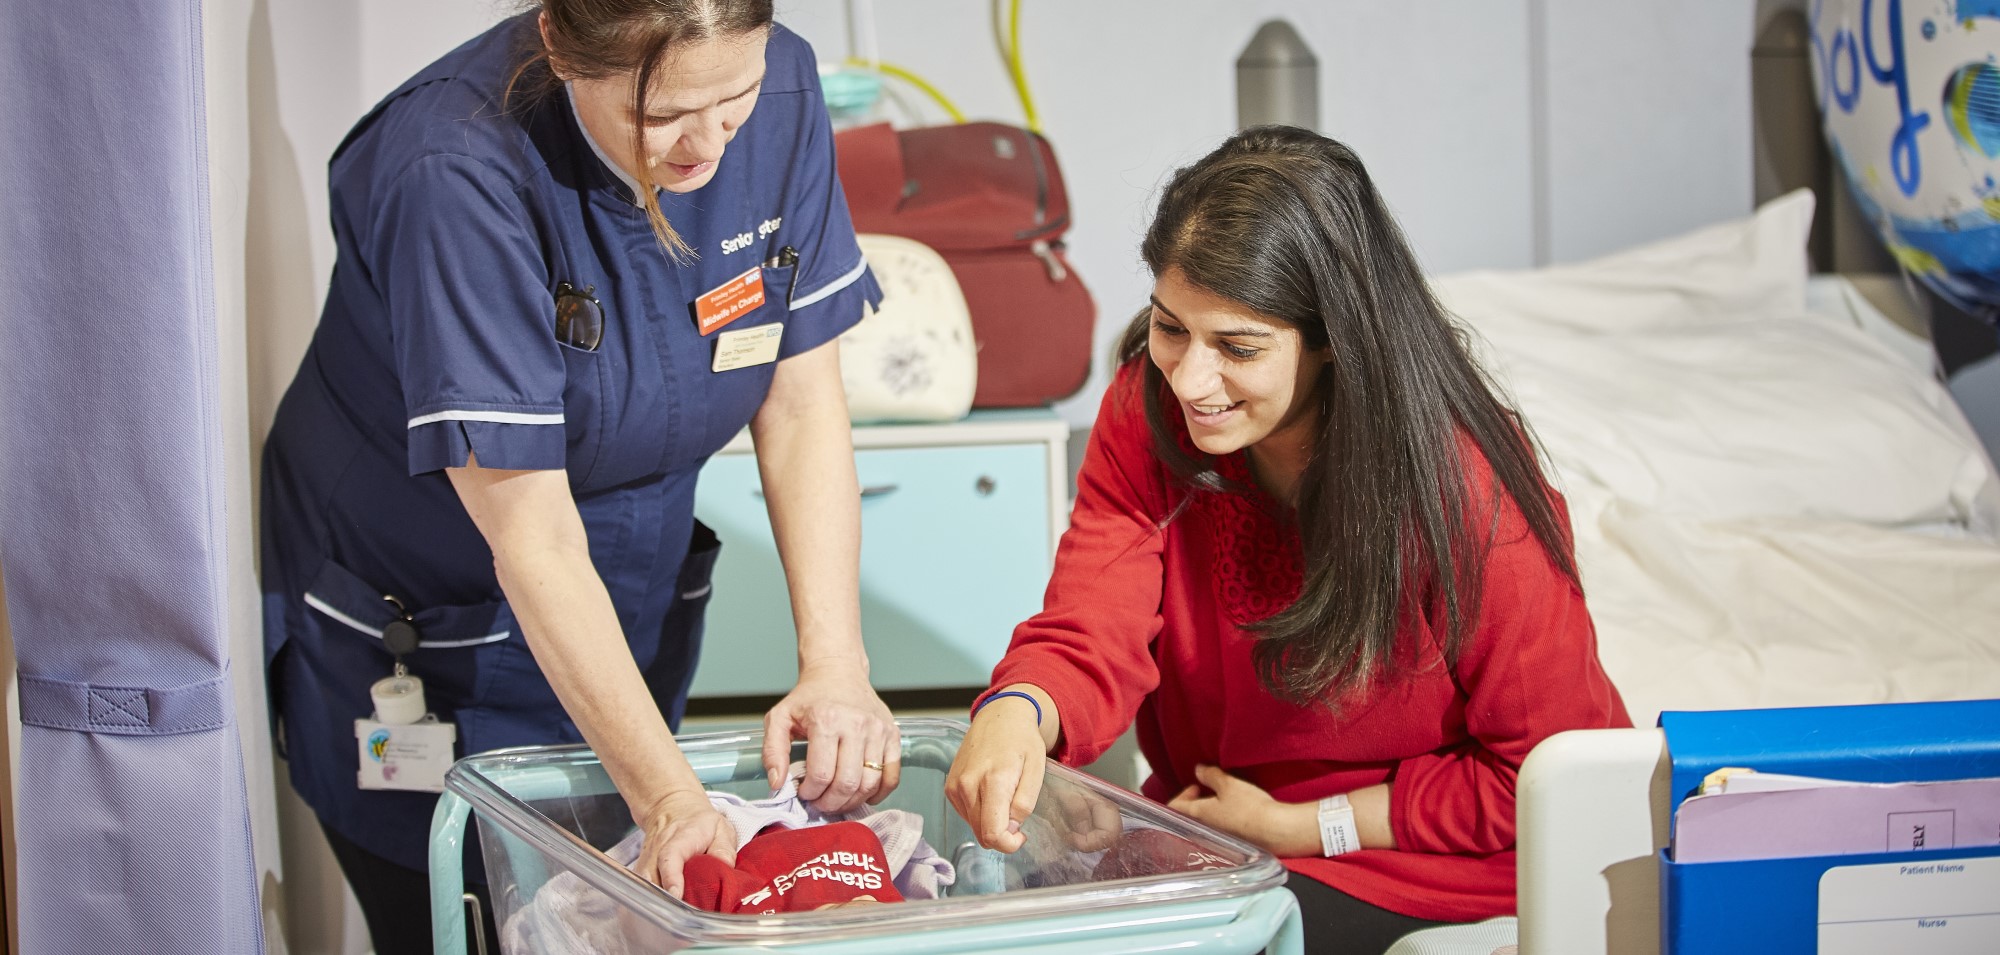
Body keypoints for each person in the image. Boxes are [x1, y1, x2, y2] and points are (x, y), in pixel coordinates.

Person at [259, 2, 898, 949]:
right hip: (431, 620)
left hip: (626, 589)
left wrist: (838, 662)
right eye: (662, 115)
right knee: (469, 915)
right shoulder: (456, 167)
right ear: (560, 44)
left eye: (738, 98)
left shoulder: (781, 87)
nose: (709, 145)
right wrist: (672, 797)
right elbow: (533, 534)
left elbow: (800, 406)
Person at [945, 126, 1632, 954]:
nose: (1192, 381)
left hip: (1439, 860)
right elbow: (1094, 616)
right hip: (1226, 841)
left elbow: (1553, 771)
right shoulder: (1147, 411)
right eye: (1170, 328)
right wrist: (1022, 708)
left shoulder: (1467, 490)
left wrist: (1306, 826)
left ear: (1334, 338)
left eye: (1238, 348)